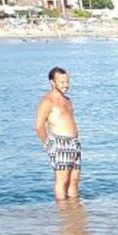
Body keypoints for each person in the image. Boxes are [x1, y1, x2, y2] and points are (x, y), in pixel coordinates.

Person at [34, 67, 81, 200]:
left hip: (74, 143)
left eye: (67, 81)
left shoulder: (67, 100)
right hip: (59, 143)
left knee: (74, 179)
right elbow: (39, 126)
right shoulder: (47, 101)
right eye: (62, 82)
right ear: (52, 83)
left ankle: (74, 211)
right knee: (62, 180)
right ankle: (62, 211)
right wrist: (49, 145)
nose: (66, 85)